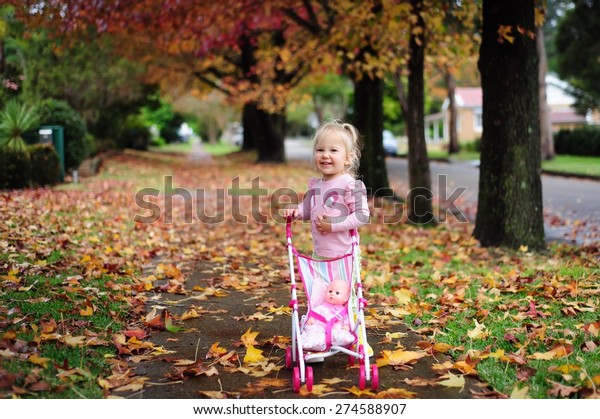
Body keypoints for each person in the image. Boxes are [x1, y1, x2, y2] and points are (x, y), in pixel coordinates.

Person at [283, 119, 370, 259]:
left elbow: (362, 216)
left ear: (347, 158)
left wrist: (333, 225)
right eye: (320, 150)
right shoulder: (315, 185)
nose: (325, 155)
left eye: (333, 150)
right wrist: (296, 211)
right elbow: (307, 210)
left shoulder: (351, 185)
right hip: (319, 254)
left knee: (338, 283)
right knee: (320, 282)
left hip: (344, 256)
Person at [300, 279, 355, 351]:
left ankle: (332, 342)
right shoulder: (321, 307)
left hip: (335, 331)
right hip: (319, 330)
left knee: (343, 334)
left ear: (345, 298)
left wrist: (346, 326)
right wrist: (312, 318)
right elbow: (314, 313)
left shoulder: (343, 311)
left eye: (337, 293)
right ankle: (311, 343)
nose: (332, 294)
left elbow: (347, 320)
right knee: (312, 331)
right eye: (330, 291)